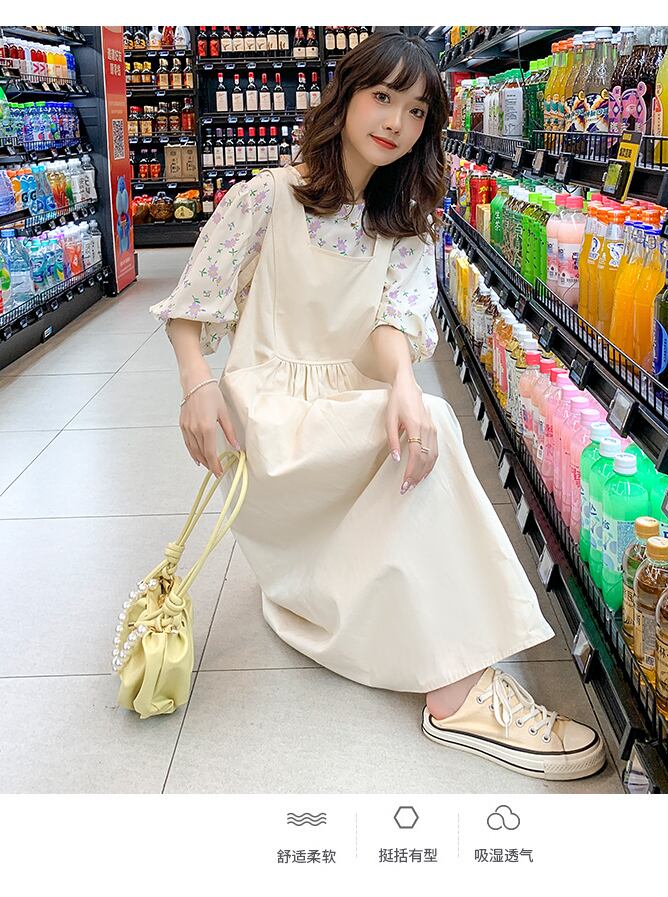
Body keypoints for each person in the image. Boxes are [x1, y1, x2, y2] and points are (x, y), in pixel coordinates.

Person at [150, 31, 606, 782]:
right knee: (440, 434)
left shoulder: (406, 225)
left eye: (418, 110)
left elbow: (396, 322)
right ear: (346, 97)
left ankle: (438, 644)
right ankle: (456, 694)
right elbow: (192, 303)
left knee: (421, 426)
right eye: (383, 96)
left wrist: (403, 385)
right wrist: (197, 386)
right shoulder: (266, 198)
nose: (396, 121)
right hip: (269, 413)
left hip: (345, 405)